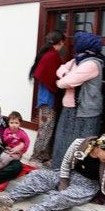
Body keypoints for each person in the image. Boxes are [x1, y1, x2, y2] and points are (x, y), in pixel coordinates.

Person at [50, 32, 105, 168]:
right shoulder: (77, 60)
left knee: (79, 144)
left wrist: (64, 80)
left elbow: (65, 83)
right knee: (64, 141)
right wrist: (67, 76)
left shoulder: (92, 63)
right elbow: (60, 69)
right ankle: (60, 169)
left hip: (85, 112)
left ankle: (74, 174)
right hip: (70, 108)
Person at [29, 30, 65, 165]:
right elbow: (51, 78)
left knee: (46, 128)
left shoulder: (47, 54)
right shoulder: (52, 56)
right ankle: (36, 157)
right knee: (45, 129)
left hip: (45, 97)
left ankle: (43, 156)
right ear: (61, 42)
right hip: (48, 99)